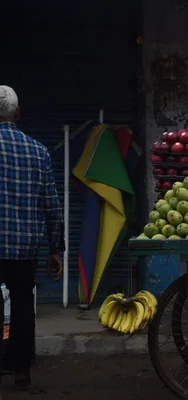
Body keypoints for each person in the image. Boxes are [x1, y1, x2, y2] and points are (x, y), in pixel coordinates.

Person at [0, 85, 65, 396]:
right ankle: (21, 370)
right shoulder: (38, 151)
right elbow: (51, 203)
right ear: (18, 114)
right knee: (23, 303)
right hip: (24, 246)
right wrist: (56, 248)